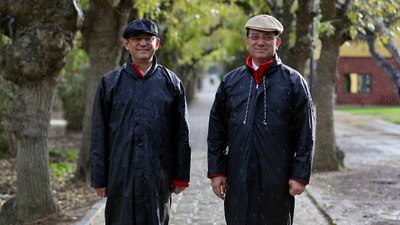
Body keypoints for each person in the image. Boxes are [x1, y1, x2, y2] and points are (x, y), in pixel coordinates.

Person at [207, 14, 315, 225]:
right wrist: (217, 171)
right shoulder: (231, 82)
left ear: (278, 42)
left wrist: (299, 175)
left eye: (267, 37)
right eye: (255, 36)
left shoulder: (293, 82)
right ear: (246, 41)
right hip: (238, 174)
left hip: (277, 176)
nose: (260, 42)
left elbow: (306, 132)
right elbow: (216, 130)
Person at [90, 18, 191, 225]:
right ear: (126, 44)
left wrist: (181, 175)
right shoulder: (110, 83)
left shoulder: (171, 83)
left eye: (148, 38)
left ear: (157, 43)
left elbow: (181, 133)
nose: (143, 43)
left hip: (158, 173)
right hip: (120, 173)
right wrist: (99, 178)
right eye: (136, 39)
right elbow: (99, 133)